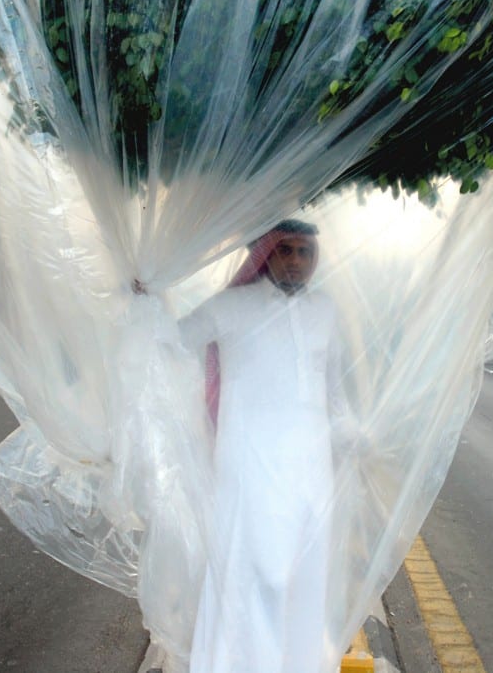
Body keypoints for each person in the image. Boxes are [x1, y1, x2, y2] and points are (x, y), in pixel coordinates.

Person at [178, 219, 348, 673]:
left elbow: (335, 390)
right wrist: (141, 302)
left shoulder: (327, 311)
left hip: (312, 471)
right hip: (248, 467)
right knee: (257, 574)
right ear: (264, 254)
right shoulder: (231, 307)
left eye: (305, 252)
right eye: (285, 250)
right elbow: (170, 341)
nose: (296, 261)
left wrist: (355, 436)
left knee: (303, 577)